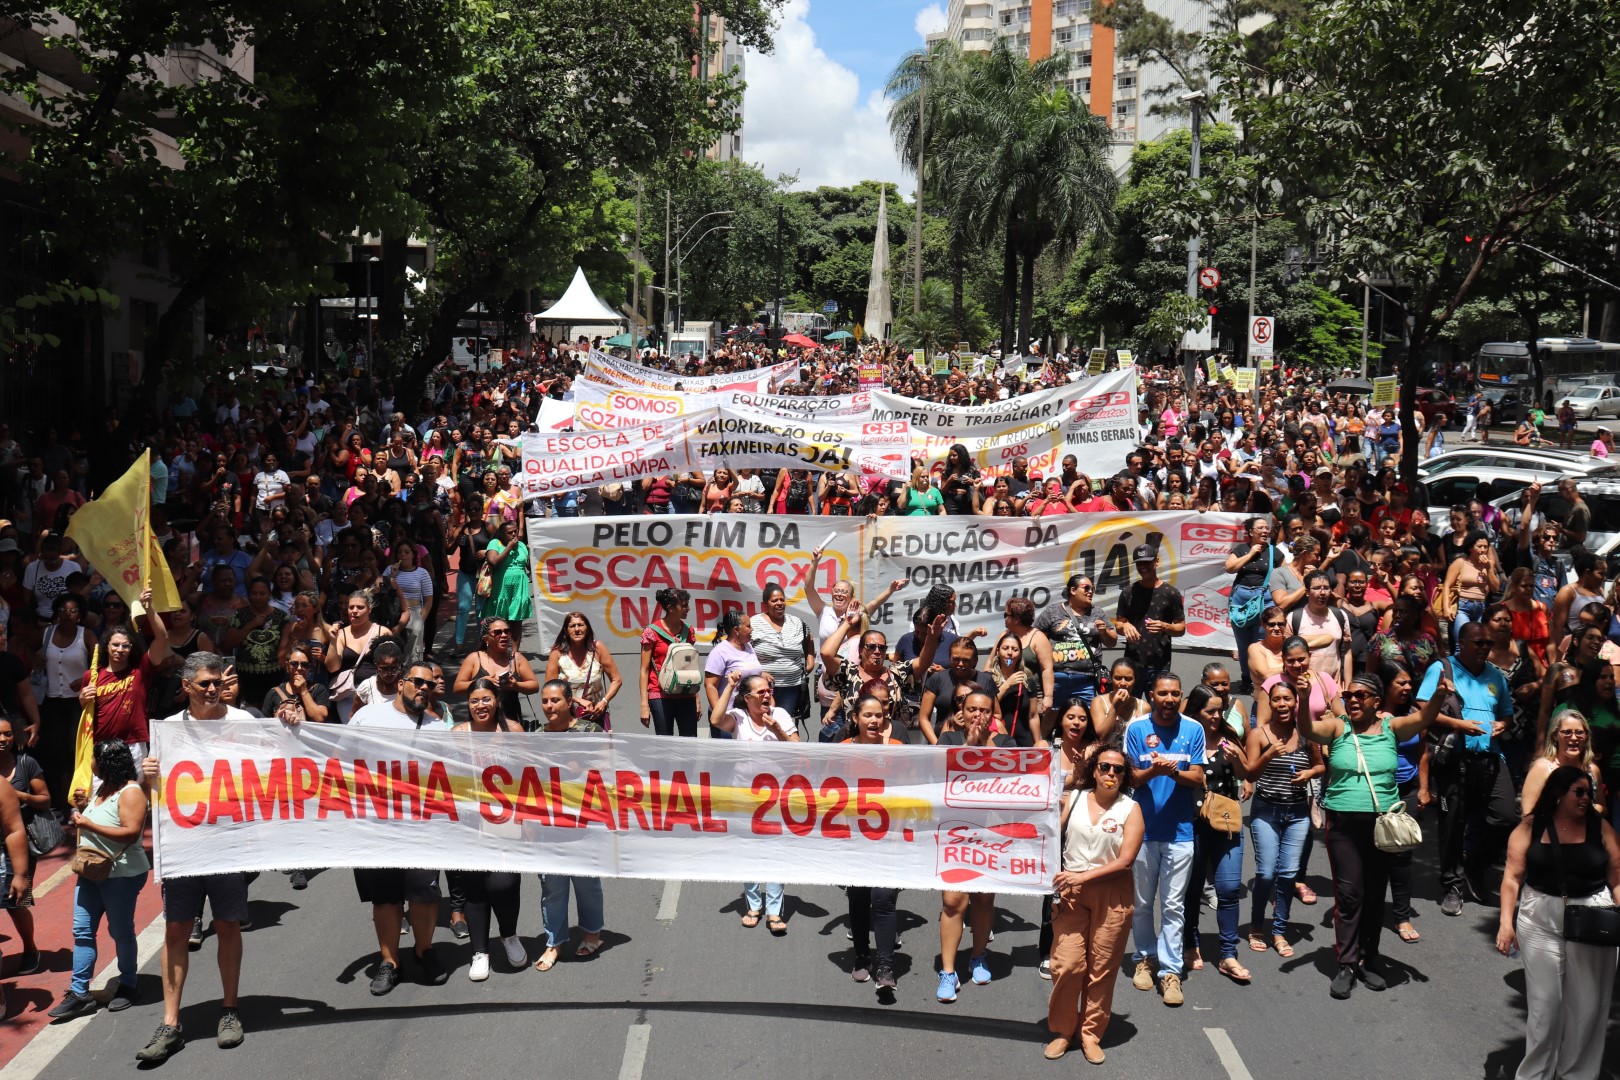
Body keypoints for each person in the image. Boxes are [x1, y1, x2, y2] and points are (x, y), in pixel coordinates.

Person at [136, 652, 254, 1062]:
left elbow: (281, 763)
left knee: (227, 927)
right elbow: (148, 789)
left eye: (216, 682)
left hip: (227, 847)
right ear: (185, 686)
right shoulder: (166, 731)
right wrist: (145, 775)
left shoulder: (244, 722)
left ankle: (230, 1010)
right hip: (184, 850)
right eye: (203, 683)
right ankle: (170, 1023)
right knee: (176, 933)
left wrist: (290, 724)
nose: (211, 689)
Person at [1304, 671, 1444, 999]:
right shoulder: (1338, 727)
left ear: (1376, 702)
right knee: (1350, 894)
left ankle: (1369, 958)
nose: (1352, 700)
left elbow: (1424, 717)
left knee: (1373, 895)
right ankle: (1347, 963)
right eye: (1348, 695)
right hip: (1343, 826)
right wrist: (1302, 698)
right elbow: (1307, 729)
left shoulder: (1392, 727)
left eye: (1360, 696)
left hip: (1382, 826)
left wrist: (1439, 695)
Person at [1496, 765, 1620, 1080]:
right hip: (1539, 917)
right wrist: (1505, 924)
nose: (1586, 798)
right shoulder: (1530, 828)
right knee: (1544, 1008)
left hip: (1592, 917)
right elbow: (1512, 878)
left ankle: (1576, 1073)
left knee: (1588, 1007)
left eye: (1589, 792)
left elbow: (1617, 877)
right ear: (1558, 793)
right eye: (1578, 792)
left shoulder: (1601, 828)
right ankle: (1534, 1075)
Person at [349, 660, 451, 995]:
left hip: (424, 827)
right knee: (386, 898)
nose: (423, 688)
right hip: (377, 826)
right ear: (403, 681)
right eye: (418, 682)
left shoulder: (438, 729)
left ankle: (425, 950)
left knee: (424, 893)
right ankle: (390, 961)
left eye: (429, 685)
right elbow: (339, 757)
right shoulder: (368, 717)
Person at [1044, 744, 1143, 1064]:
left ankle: (1090, 1033)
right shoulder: (1072, 800)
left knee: (1101, 970)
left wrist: (1081, 878)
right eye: (1104, 767)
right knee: (1067, 965)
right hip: (1072, 896)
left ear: (1125, 775)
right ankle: (1062, 1030)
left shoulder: (1131, 809)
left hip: (1112, 897)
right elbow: (1042, 830)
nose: (1111, 773)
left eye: (1118, 769)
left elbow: (1126, 862)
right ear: (1094, 770)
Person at [1416, 621, 1518, 917]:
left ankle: (1475, 866)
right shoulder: (1442, 669)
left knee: (1505, 816)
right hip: (1455, 757)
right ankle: (1452, 884)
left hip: (1490, 757)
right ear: (1462, 643)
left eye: (1488, 643)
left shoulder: (1496, 676)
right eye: (1479, 643)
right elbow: (1423, 708)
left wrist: (1503, 724)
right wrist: (1459, 725)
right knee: (1452, 825)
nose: (1486, 648)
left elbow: (1507, 715)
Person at [46, 740, 144, 1023]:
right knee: (82, 931)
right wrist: (84, 807)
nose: (90, 763)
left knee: (121, 931)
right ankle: (80, 993)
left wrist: (88, 824)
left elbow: (131, 833)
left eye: (93, 758)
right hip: (91, 872)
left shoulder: (131, 793)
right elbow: (105, 817)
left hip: (121, 874)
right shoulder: (102, 789)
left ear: (106, 762)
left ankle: (129, 984)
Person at [1124, 672, 1205, 1007]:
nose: (1169, 699)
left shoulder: (1194, 729)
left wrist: (1171, 771)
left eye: (1175, 694)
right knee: (1142, 903)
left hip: (1181, 833)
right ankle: (1145, 957)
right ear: (1151, 695)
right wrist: (1152, 772)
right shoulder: (1136, 729)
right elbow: (1129, 777)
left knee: (1173, 905)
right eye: (1163, 694)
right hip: (1142, 832)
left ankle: (1170, 972)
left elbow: (1198, 777)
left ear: (1181, 696)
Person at [449, 677, 526, 981]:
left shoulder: (513, 731)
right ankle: (479, 951)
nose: (480, 706)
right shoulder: (457, 734)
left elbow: (527, 774)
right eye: (474, 701)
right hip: (468, 821)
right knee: (475, 888)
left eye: (486, 699)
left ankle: (509, 935)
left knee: (504, 884)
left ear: (496, 701)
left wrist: (527, 816)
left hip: (506, 821)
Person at [711, 672, 799, 935]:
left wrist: (778, 731)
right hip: (744, 798)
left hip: (776, 798)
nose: (766, 695)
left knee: (775, 853)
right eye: (760, 692)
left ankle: (774, 911)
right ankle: (753, 905)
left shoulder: (780, 714)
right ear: (747, 698)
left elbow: (797, 748)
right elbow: (716, 720)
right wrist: (729, 686)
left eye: (768, 690)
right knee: (747, 852)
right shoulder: (738, 718)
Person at [1245, 677, 1323, 956]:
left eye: (1287, 699)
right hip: (1266, 810)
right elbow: (1250, 774)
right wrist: (1268, 755)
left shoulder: (1306, 733)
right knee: (1266, 873)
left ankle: (1278, 931)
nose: (1281, 704)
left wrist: (1309, 774)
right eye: (1276, 699)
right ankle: (1256, 926)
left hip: (1297, 813)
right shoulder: (1259, 735)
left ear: (1295, 703)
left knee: (1289, 874)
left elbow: (1320, 766)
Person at [1181, 684, 1253, 982]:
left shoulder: (1229, 737)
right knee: (1193, 889)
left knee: (1228, 889)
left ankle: (1228, 954)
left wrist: (1236, 756)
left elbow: (1245, 774)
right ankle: (1190, 943)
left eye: (1219, 711)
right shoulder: (1185, 737)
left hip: (1225, 825)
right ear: (1196, 712)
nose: (1216, 716)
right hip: (1192, 825)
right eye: (1210, 711)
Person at [534, 679, 607, 970]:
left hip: (585, 821)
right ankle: (554, 942)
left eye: (555, 701)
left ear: (569, 702)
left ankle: (592, 933)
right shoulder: (536, 737)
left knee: (586, 881)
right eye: (545, 701)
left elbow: (608, 767)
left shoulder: (590, 732)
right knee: (552, 885)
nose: (550, 706)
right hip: (548, 822)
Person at [842, 693, 905, 993]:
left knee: (883, 898)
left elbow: (913, 790)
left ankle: (885, 965)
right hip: (853, 840)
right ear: (855, 718)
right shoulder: (842, 750)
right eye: (867, 715)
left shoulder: (898, 750)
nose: (874, 720)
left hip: (888, 840)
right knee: (858, 898)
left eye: (879, 715)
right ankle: (861, 955)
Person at [0, 716, 46, 973]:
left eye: (7, 734)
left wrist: (17, 795)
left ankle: (30, 948)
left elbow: (45, 800)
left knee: (16, 904)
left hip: (19, 844)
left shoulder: (26, 763)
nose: (3, 739)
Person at [1035, 575, 1114, 717]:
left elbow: (1112, 641)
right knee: (1052, 716)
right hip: (1056, 677)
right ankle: (1046, 740)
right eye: (1086, 588)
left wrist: (1104, 631)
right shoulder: (1053, 611)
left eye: (1093, 589)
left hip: (1085, 679)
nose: (1091, 592)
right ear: (1072, 590)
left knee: (1085, 716)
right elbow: (1036, 637)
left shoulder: (1098, 613)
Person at [1114, 544, 1185, 683]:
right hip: (1131, 664)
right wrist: (1125, 626)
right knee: (1131, 705)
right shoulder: (1128, 592)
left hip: (1160, 664)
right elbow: (1119, 625)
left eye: (1147, 562)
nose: (1143, 567)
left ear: (1156, 561)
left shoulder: (1171, 593)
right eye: (1139, 563)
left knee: (1159, 704)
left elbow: (1181, 628)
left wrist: (1165, 626)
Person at [1225, 517, 1280, 692]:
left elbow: (1285, 574)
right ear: (1251, 532)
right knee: (1243, 642)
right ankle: (1246, 677)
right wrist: (1250, 555)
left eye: (1267, 528)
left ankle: (1261, 678)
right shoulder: (1241, 549)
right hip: (1241, 599)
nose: (1265, 531)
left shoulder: (1275, 552)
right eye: (1261, 528)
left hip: (1265, 598)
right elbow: (1230, 568)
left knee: (1261, 640)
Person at [1521, 711, 1607, 821]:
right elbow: (1527, 813)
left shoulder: (1592, 770)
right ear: (1555, 736)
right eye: (1567, 732)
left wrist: (1590, 808)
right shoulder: (1542, 768)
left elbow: (1603, 808)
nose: (1574, 738)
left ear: (1586, 737)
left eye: (1579, 732)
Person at [639, 588, 700, 738]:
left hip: (686, 694)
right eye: (684, 605)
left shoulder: (688, 631)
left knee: (690, 743)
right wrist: (644, 705)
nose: (688, 608)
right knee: (664, 744)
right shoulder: (651, 632)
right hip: (660, 694)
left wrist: (697, 698)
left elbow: (690, 667)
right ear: (670, 608)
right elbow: (644, 670)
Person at [544, 611, 621, 728]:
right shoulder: (557, 653)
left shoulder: (597, 649)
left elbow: (617, 680)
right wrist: (577, 700)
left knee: (601, 746)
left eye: (580, 625)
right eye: (572, 626)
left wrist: (604, 702)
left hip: (595, 716)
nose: (577, 629)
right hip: (567, 719)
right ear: (566, 630)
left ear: (587, 628)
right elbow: (549, 687)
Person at [750, 582, 814, 720]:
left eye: (782, 599)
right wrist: (759, 671)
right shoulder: (754, 623)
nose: (779, 603)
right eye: (774, 600)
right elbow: (743, 651)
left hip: (792, 687)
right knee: (763, 722)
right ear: (765, 605)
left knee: (784, 724)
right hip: (762, 688)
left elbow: (809, 639)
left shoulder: (797, 623)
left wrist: (810, 661)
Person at [220, 577, 287, 709]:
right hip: (246, 676)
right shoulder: (240, 615)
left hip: (274, 675)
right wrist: (252, 624)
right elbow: (228, 643)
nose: (258, 597)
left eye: (262, 593)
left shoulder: (282, 616)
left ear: (269, 594)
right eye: (254, 593)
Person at [702, 610, 762, 737]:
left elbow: (750, 670)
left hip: (748, 716)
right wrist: (721, 716)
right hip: (728, 717)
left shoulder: (749, 647)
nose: (752, 629)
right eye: (748, 626)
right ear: (736, 630)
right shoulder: (720, 652)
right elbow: (710, 685)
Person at [480, 518, 532, 648]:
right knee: (496, 621)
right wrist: (508, 548)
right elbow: (494, 561)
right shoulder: (495, 543)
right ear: (502, 534)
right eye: (510, 532)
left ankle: (515, 653)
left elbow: (530, 566)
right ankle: (491, 649)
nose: (514, 534)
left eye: (515, 531)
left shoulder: (522, 546)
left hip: (519, 589)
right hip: (500, 588)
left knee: (516, 621)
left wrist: (533, 554)